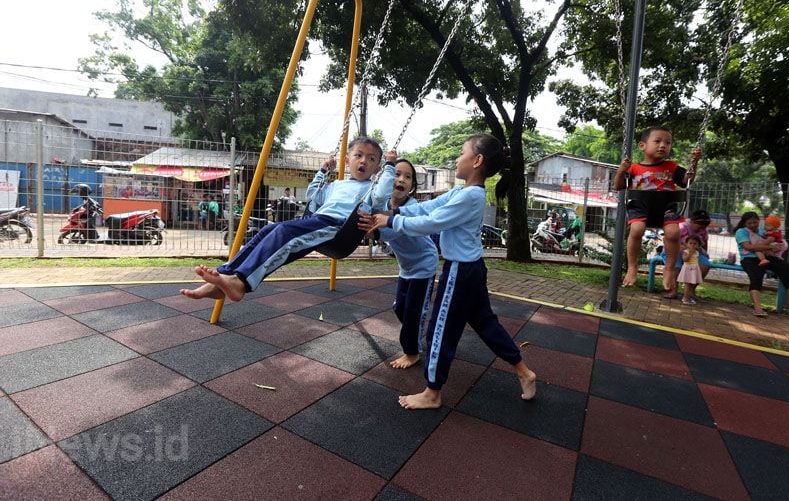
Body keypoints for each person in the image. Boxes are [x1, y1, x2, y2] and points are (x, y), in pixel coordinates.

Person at [362, 134, 537, 409]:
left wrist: (392, 220)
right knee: (485, 322)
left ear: (477, 160)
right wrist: (393, 212)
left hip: (460, 272)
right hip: (472, 270)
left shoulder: (471, 196)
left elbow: (432, 222)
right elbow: (427, 207)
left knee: (440, 330)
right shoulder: (462, 192)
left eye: (462, 152)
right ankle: (524, 371)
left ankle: (432, 393)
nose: (457, 158)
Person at [180, 138, 395, 302]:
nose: (364, 161)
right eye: (359, 155)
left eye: (372, 159)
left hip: (338, 228)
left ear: (377, 168)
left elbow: (383, 194)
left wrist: (391, 167)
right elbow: (313, 196)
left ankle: (241, 282)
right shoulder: (337, 185)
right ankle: (224, 276)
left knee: (283, 234)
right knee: (268, 231)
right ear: (347, 160)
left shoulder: (372, 189)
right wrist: (322, 171)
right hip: (319, 220)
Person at [614, 126, 702, 293]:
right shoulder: (633, 168)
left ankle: (669, 269)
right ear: (642, 146)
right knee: (637, 229)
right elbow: (618, 186)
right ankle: (632, 267)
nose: (663, 145)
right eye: (658, 141)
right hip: (640, 205)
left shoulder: (672, 167)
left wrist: (694, 162)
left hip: (666, 206)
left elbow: (686, 181)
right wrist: (621, 171)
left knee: (673, 233)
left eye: (667, 143)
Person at [373, 158, 439, 369]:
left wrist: (373, 227)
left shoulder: (412, 207)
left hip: (424, 265)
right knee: (401, 309)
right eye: (397, 174)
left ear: (412, 187)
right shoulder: (380, 205)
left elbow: (394, 229)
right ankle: (416, 331)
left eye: (408, 177)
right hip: (406, 267)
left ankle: (412, 352)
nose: (401, 179)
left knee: (413, 312)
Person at [734, 211, 789, 317]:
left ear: (759, 221)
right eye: (749, 223)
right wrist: (770, 247)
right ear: (745, 223)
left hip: (768, 257)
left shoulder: (763, 231)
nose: (752, 225)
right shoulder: (741, 232)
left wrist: (776, 247)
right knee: (756, 278)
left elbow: (776, 242)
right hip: (749, 259)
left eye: (755, 222)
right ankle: (757, 309)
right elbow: (749, 247)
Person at [660, 209, 712, 299]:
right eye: (699, 227)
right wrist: (684, 249)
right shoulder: (682, 227)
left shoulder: (703, 230)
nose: (701, 229)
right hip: (674, 251)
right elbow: (668, 241)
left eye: (703, 227)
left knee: (705, 265)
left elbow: (704, 246)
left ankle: (691, 290)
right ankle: (673, 290)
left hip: (693, 253)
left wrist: (702, 253)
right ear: (692, 222)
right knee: (676, 266)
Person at [677, 236, 704, 305]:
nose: (692, 245)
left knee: (691, 284)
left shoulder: (697, 252)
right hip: (688, 269)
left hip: (694, 269)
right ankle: (686, 298)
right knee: (687, 284)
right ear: (686, 244)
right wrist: (690, 254)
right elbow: (684, 260)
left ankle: (687, 297)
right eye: (690, 243)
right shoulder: (686, 252)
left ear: (698, 245)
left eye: (694, 244)